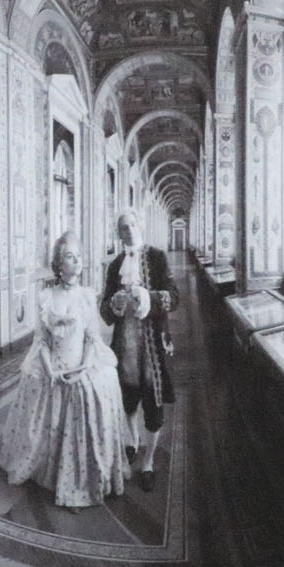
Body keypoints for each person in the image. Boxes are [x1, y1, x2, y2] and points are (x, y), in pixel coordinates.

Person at [0, 233, 130, 509]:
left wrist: (83, 368)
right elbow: (41, 342)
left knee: (95, 389)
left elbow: (92, 339)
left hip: (82, 364)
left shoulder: (87, 296)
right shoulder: (46, 297)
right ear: (59, 264)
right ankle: (53, 471)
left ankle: (83, 479)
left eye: (79, 256)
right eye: (70, 256)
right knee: (44, 391)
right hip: (54, 367)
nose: (77, 261)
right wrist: (50, 371)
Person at [100, 208, 179, 491]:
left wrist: (149, 297)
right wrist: (114, 305)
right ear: (119, 233)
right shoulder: (114, 266)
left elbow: (174, 297)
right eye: (124, 227)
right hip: (124, 347)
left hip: (153, 346)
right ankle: (132, 440)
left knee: (153, 406)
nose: (129, 230)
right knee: (128, 401)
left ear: (140, 225)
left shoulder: (157, 257)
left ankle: (148, 462)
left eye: (133, 224)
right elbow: (105, 312)